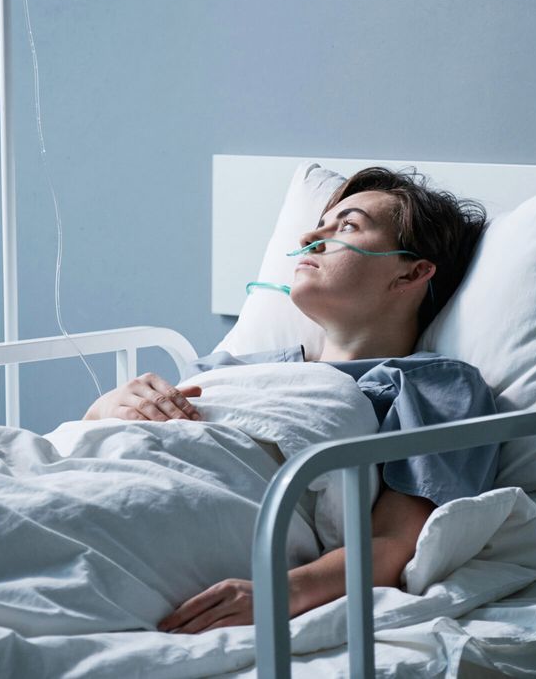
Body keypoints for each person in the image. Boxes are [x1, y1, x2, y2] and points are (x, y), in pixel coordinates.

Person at [83, 166, 497, 634]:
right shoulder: (232, 368)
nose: (310, 236)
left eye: (348, 226)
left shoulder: (430, 385)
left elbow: (399, 540)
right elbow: (104, 450)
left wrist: (285, 593)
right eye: (319, 223)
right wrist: (107, 408)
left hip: (163, 526)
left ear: (412, 272)